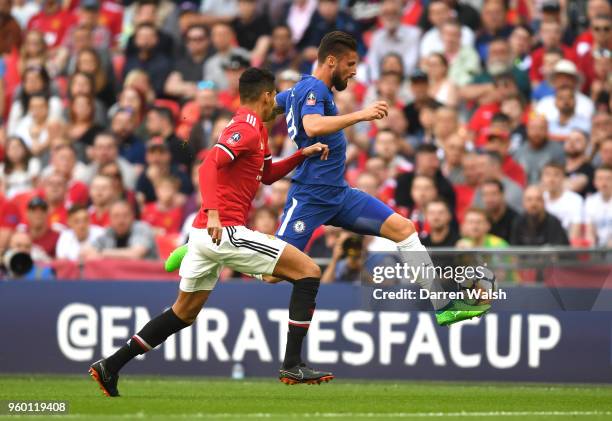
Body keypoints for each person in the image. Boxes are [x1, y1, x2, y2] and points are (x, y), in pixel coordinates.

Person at [89, 68, 334, 397]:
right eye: (274, 96)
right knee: (308, 271)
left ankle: (111, 365)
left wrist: (300, 156)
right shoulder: (245, 128)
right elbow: (208, 166)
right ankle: (292, 362)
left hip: (205, 237)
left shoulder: (257, 131)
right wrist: (216, 214)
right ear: (265, 95)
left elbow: (268, 175)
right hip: (224, 231)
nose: (276, 102)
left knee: (182, 312)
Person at [272, 31, 487, 325]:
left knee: (404, 229)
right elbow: (312, 124)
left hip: (339, 194)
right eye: (349, 63)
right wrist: (362, 115)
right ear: (331, 61)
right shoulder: (315, 90)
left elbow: (268, 107)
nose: (354, 70)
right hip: (309, 196)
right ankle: (219, 247)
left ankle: (444, 305)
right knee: (270, 274)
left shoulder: (299, 90)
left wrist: (245, 123)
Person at [83, 200, 158, 261]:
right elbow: (85, 252)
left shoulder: (142, 228)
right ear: (110, 219)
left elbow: (135, 254)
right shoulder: (109, 231)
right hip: (117, 277)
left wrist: (102, 253)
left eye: (125, 215)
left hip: (147, 277)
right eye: (116, 216)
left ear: (133, 217)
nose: (121, 221)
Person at [541, 162, 584, 241]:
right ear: (542, 178)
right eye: (547, 175)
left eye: (556, 175)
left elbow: (575, 231)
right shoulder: (539, 199)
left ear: (563, 178)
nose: (551, 179)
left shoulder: (575, 200)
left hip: (565, 247)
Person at [481, 179, 518, 243]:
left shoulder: (515, 219)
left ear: (502, 195)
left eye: (493, 194)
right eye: (485, 194)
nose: (489, 199)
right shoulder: (481, 218)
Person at [584, 166, 612, 247]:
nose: (604, 183)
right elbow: (589, 231)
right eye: (600, 179)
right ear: (594, 182)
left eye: (608, 179)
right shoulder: (590, 201)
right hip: (598, 250)